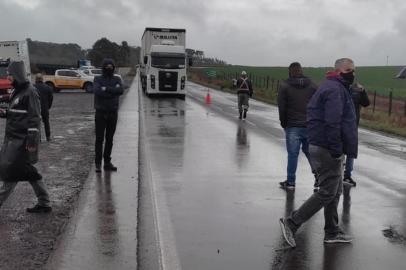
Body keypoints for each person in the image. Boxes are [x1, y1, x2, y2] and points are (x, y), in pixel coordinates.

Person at [279, 58, 358, 247]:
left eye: (354, 70)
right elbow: (332, 122)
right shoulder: (334, 90)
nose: (353, 73)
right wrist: (337, 149)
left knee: (335, 190)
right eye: (349, 70)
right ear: (339, 71)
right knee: (327, 191)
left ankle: (331, 231)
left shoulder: (332, 86)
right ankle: (292, 222)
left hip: (323, 145)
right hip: (327, 148)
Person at [0, 61, 51, 213]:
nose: (8, 77)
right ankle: (44, 202)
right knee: (29, 172)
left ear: (17, 75)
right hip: (13, 139)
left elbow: (35, 118)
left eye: (10, 74)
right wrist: (4, 113)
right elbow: (16, 112)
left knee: (11, 172)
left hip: (22, 142)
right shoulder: (17, 91)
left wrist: (32, 141)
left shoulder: (30, 92)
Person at [278, 62, 318, 190]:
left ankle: (291, 182)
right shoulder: (312, 85)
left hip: (292, 125)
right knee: (310, 153)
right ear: (301, 71)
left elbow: (282, 107)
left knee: (293, 154)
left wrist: (284, 123)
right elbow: (318, 104)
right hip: (309, 125)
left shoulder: (284, 86)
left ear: (290, 72)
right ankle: (319, 178)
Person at [94, 58, 123, 173]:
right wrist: (112, 91)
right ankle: (97, 163)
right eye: (107, 66)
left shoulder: (117, 78)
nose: (109, 68)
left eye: (111, 66)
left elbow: (120, 90)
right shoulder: (97, 79)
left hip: (113, 113)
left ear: (114, 68)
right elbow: (97, 91)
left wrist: (106, 89)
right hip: (100, 113)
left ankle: (107, 162)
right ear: (103, 67)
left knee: (110, 139)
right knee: (99, 139)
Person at [343, 82, 370, 187]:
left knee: (349, 151)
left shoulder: (357, 90)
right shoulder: (340, 88)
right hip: (345, 124)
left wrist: (363, 91)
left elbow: (366, 103)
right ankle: (344, 175)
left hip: (351, 125)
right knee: (345, 151)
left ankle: (347, 175)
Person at [34, 73, 54, 142]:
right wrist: (48, 107)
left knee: (37, 124)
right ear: (42, 79)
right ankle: (48, 137)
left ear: (35, 79)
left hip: (35, 109)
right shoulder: (48, 87)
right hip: (45, 108)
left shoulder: (32, 88)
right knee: (46, 123)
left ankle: (38, 138)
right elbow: (51, 98)